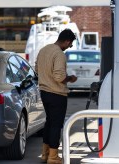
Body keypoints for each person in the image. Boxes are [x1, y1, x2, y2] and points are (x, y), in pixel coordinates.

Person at [35, 29, 77, 164]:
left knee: (49, 123)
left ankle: (45, 153)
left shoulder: (44, 50)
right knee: (56, 125)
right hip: (57, 94)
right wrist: (70, 78)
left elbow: (36, 70)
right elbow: (59, 76)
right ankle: (53, 157)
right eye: (70, 45)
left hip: (44, 92)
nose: (68, 47)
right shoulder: (59, 54)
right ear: (67, 41)